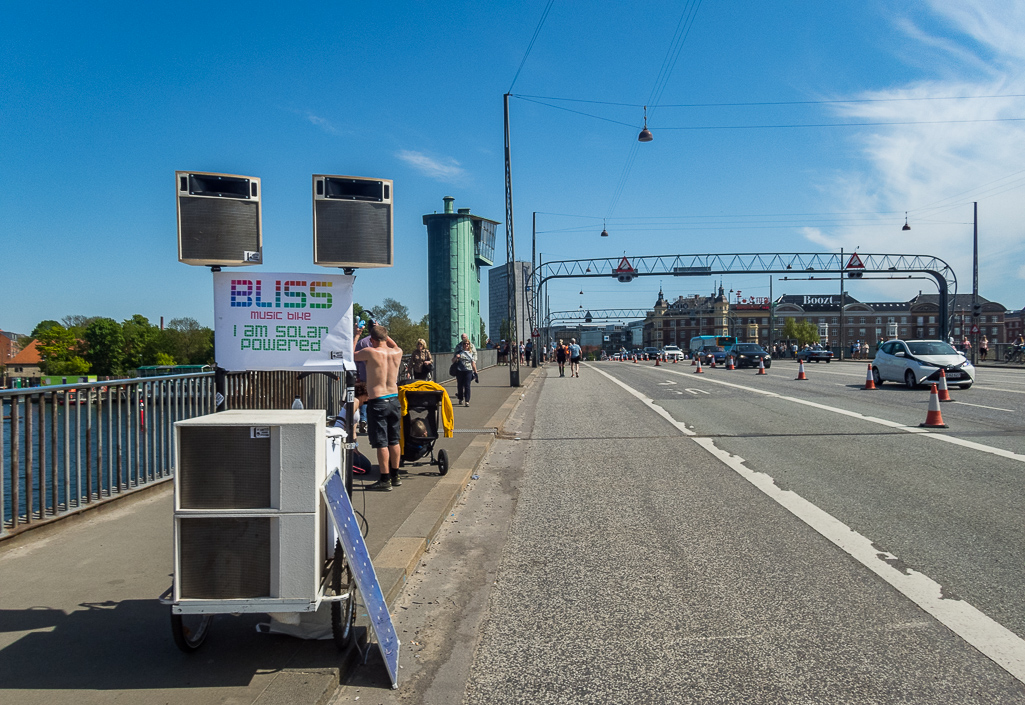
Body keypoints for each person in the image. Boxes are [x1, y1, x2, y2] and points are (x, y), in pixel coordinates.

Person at [353, 324, 404, 491]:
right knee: (394, 440)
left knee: (381, 442)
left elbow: (351, 355)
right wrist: (379, 329)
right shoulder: (397, 352)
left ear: (372, 340)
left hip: (378, 401)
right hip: (394, 399)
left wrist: (357, 334)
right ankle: (395, 476)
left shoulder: (370, 352)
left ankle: (384, 479)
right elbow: (393, 344)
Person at [333, 379, 372, 474]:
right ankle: (345, 466)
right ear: (363, 394)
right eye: (367, 396)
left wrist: (355, 447)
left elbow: (354, 430)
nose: (368, 399)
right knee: (365, 467)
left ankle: (347, 464)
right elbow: (349, 422)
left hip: (346, 438)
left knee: (366, 465)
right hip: (342, 437)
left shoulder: (357, 404)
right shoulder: (354, 402)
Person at [452, 339, 478, 406]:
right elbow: (453, 360)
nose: (466, 345)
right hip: (460, 371)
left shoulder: (471, 353)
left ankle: (467, 401)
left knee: (467, 386)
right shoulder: (459, 352)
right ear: (462, 345)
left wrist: (475, 372)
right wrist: (456, 357)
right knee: (460, 386)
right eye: (464, 344)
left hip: (468, 371)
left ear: (469, 345)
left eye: (467, 344)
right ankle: (460, 398)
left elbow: (473, 363)